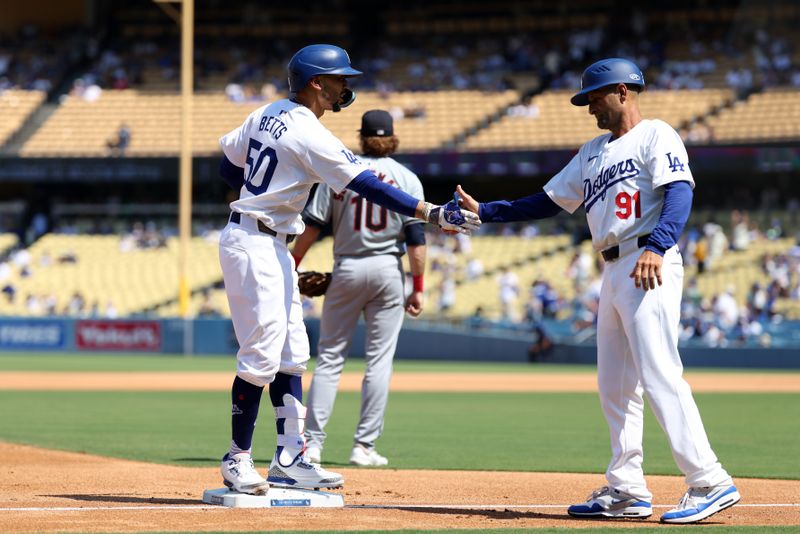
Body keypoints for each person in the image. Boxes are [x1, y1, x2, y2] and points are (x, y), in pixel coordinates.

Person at [455, 58, 739, 524]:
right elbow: (546, 202)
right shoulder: (591, 153)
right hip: (612, 269)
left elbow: (680, 192)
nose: (590, 108)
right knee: (615, 386)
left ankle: (709, 480)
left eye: (596, 97)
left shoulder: (657, 135)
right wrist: (486, 211)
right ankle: (627, 489)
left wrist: (657, 245)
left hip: (648, 261)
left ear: (624, 92)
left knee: (660, 374)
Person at [216, 44, 479, 495]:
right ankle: (237, 458)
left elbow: (227, 166)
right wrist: (430, 212)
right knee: (261, 356)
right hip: (256, 242)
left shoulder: (267, 112)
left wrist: (262, 194)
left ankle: (290, 457)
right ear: (317, 83)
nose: (346, 86)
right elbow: (368, 185)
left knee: (293, 353)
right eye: (340, 79)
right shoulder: (309, 133)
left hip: (268, 239)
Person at [291, 109, 426, 467]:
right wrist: (419, 287)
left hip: (347, 267)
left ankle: (314, 445)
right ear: (393, 137)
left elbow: (312, 226)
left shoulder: (339, 173)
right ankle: (363, 447)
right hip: (388, 271)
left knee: (330, 360)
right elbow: (415, 239)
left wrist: (292, 265)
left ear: (361, 136)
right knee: (379, 362)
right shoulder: (408, 178)